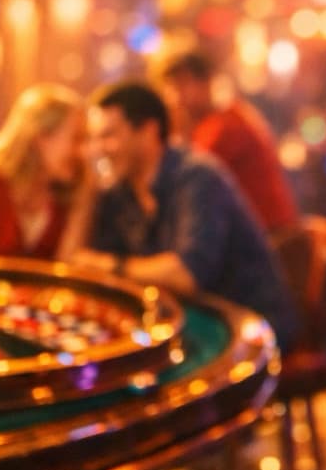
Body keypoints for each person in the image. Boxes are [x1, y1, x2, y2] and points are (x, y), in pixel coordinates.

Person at [71, 80, 298, 349]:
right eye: (94, 138)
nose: (98, 149)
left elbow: (186, 276)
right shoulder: (121, 189)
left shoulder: (198, 177)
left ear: (148, 131)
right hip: (191, 323)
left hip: (250, 328)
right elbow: (76, 264)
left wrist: (111, 266)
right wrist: (86, 191)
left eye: (108, 136)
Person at [0, 82, 91, 260]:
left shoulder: (72, 189)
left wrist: (84, 195)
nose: (84, 152)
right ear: (40, 136)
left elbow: (68, 266)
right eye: (77, 139)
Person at [160, 51, 298, 233]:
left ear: (207, 83)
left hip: (268, 237)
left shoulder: (225, 126)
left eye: (182, 85)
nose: (175, 98)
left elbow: (185, 179)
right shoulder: (222, 119)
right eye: (171, 88)